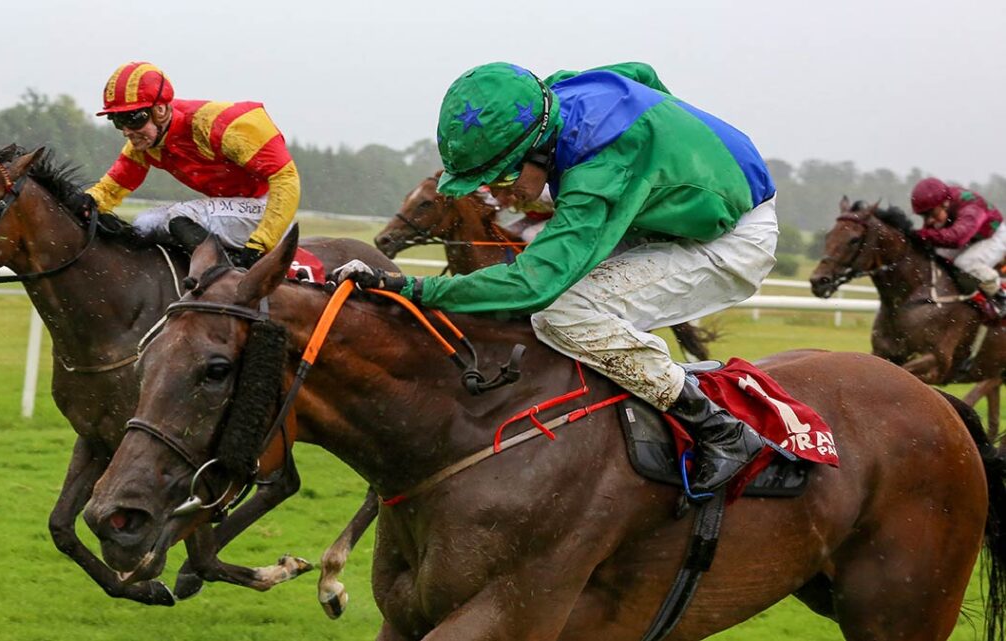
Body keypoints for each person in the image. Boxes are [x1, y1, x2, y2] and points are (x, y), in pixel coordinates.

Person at [333, 61, 780, 496]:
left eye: (506, 177)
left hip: (735, 239)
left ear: (538, 147)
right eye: (488, 186)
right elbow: (639, 73)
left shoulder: (598, 171)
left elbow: (532, 285)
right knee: (556, 306)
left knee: (564, 313)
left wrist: (411, 288)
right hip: (673, 213)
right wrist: (671, 151)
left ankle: (721, 431)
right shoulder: (560, 94)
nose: (505, 198)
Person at [84, 61, 300, 266]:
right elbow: (110, 189)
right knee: (144, 223)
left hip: (270, 210)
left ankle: (225, 278)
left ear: (160, 110)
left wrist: (261, 243)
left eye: (133, 118)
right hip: (231, 210)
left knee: (180, 216)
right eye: (117, 121)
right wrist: (85, 202)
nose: (126, 131)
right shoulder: (147, 142)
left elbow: (286, 179)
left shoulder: (226, 125)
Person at [911, 177, 1006, 317]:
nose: (929, 220)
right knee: (936, 258)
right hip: (971, 238)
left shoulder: (971, 206)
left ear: (945, 203)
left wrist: (919, 235)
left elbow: (957, 238)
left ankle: (1000, 296)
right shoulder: (941, 206)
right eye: (924, 216)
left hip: (995, 235)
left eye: (933, 214)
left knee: (966, 262)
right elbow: (929, 243)